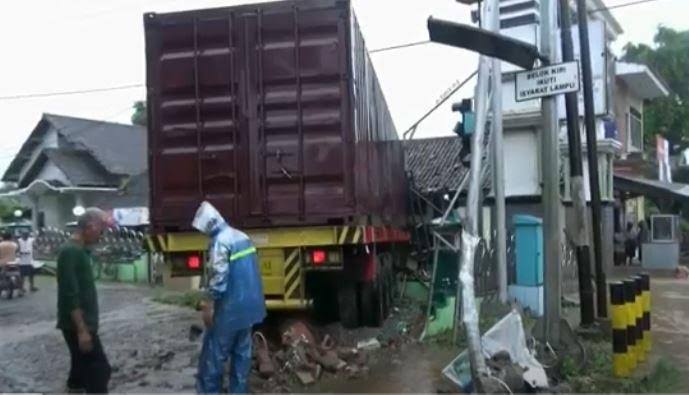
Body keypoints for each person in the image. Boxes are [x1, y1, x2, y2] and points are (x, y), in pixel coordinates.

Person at [192, 201, 266, 394]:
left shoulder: (220, 242)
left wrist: (209, 303)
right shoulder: (242, 236)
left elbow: (219, 278)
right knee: (242, 359)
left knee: (213, 361)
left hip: (229, 311)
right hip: (249, 310)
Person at [57, 208, 111, 393]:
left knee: (79, 371)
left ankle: (74, 388)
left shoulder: (79, 251)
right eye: (101, 230)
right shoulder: (70, 252)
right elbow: (70, 294)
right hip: (78, 325)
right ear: (90, 227)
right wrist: (82, 330)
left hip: (79, 324)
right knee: (99, 371)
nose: (101, 235)